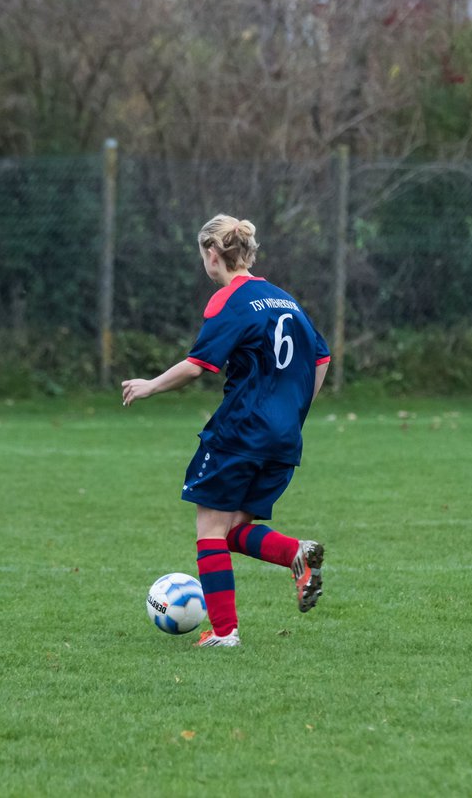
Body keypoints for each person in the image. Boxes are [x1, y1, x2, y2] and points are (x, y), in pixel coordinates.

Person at [122, 214, 331, 648]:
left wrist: (150, 385)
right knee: (233, 529)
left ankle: (223, 632)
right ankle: (295, 553)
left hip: (241, 432)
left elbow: (200, 365)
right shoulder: (285, 300)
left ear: (212, 254)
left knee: (209, 531)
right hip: (284, 437)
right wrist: (295, 412)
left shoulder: (229, 301)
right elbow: (321, 358)